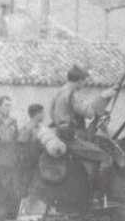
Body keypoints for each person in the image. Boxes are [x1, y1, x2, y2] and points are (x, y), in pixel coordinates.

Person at [49, 65, 120, 199]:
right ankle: (95, 197)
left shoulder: (59, 91)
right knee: (106, 158)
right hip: (69, 137)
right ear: (79, 80)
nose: (85, 83)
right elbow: (89, 113)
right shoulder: (71, 94)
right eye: (84, 80)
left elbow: (51, 112)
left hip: (59, 134)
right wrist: (104, 96)